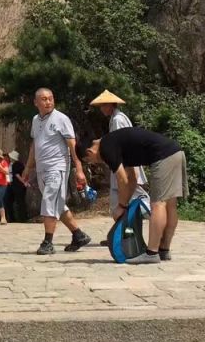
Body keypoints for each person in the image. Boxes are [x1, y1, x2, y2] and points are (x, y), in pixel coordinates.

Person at [78, 126, 187, 264]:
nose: (94, 163)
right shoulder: (115, 143)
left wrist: (122, 206)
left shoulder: (106, 148)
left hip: (163, 156)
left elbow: (122, 180)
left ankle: (152, 253)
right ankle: (164, 250)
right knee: (170, 204)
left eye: (89, 161)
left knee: (158, 204)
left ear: (89, 152)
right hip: (175, 152)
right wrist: (126, 203)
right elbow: (132, 179)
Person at [24, 88, 91, 256]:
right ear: (36, 102)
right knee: (57, 204)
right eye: (44, 99)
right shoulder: (35, 120)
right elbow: (35, 145)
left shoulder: (61, 119)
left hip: (58, 167)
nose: (48, 102)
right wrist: (27, 168)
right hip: (41, 168)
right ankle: (78, 235)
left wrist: (79, 168)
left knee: (49, 200)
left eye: (51, 99)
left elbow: (72, 145)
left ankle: (48, 242)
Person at [90, 91, 150, 224]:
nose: (102, 109)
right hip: (123, 163)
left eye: (104, 105)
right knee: (120, 200)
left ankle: (125, 232)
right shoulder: (115, 118)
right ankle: (120, 231)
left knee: (130, 199)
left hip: (125, 164)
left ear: (111, 105)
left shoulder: (118, 119)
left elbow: (120, 143)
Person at [7, 151, 27, 223]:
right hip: (18, 185)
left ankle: (16, 218)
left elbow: (17, 175)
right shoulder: (20, 164)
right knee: (20, 201)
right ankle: (22, 218)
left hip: (17, 185)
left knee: (16, 201)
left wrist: (24, 182)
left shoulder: (15, 164)